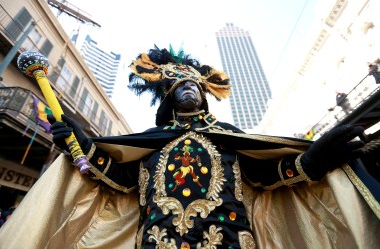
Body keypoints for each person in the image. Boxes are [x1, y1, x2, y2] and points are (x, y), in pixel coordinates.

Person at [0, 46, 379, 248]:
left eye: (195, 85)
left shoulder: (228, 135)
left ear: (204, 97)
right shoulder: (149, 145)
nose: (188, 87)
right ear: (167, 100)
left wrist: (312, 160)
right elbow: (119, 178)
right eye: (179, 85)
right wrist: (78, 142)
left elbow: (265, 177)